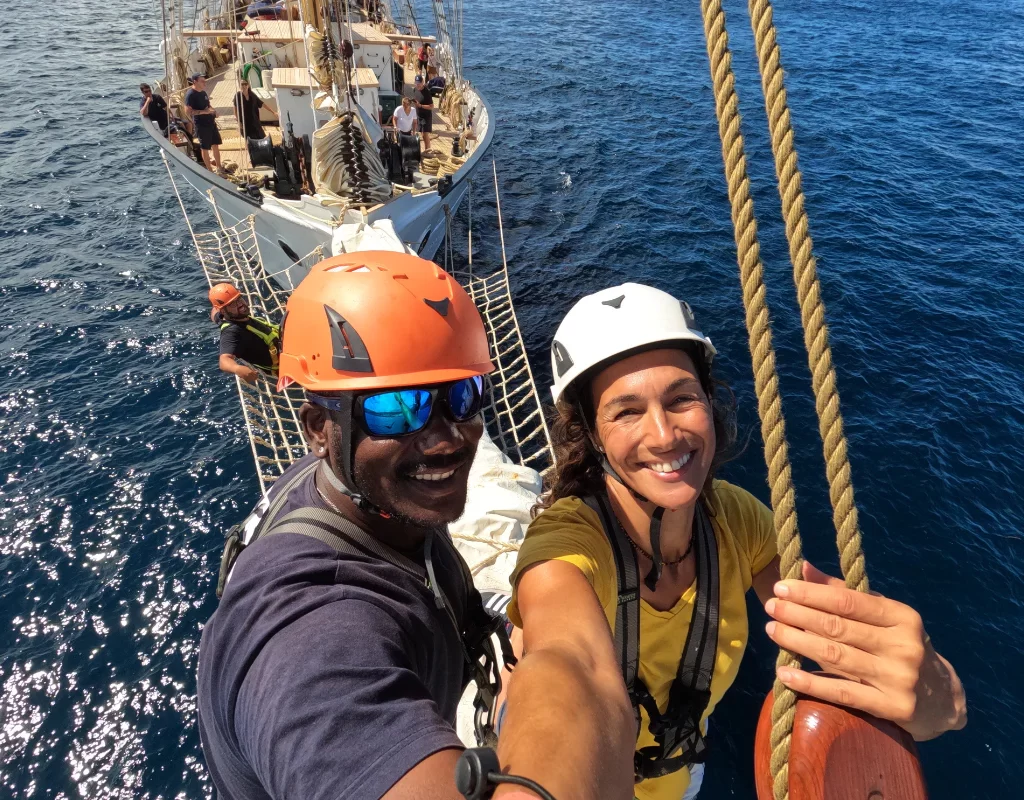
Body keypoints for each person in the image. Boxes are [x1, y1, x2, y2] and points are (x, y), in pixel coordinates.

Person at [497, 283, 968, 799]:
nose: (664, 435)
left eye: (681, 398)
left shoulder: (737, 522)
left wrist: (930, 691)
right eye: (626, 411)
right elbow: (567, 663)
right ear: (591, 435)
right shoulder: (567, 547)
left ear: (709, 402)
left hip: (678, 781)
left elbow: (833, 624)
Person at [196, 253, 514, 800]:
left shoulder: (378, 498)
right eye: (396, 409)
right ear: (321, 429)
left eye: (463, 396)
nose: (446, 438)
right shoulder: (310, 639)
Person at [209, 283, 280, 384]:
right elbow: (224, 361)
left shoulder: (226, 316)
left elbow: (214, 313)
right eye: (232, 304)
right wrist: (237, 369)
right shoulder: (232, 332)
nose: (240, 304)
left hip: (283, 341)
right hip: (284, 364)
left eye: (239, 298)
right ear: (223, 311)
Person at [184, 74, 223, 173]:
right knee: (204, 147)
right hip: (201, 125)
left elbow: (208, 105)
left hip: (211, 122)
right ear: (195, 82)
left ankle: (219, 167)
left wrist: (213, 111)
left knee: (215, 144)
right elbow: (188, 112)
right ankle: (209, 170)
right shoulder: (190, 95)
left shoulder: (203, 93)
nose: (205, 83)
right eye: (202, 81)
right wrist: (203, 112)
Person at [413, 75, 433, 152]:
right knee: (422, 134)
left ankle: (427, 151)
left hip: (426, 116)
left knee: (425, 134)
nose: (417, 85)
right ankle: (427, 149)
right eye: (416, 83)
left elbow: (431, 106)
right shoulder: (415, 89)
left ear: (423, 83)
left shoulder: (427, 92)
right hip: (419, 115)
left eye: (419, 83)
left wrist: (420, 105)